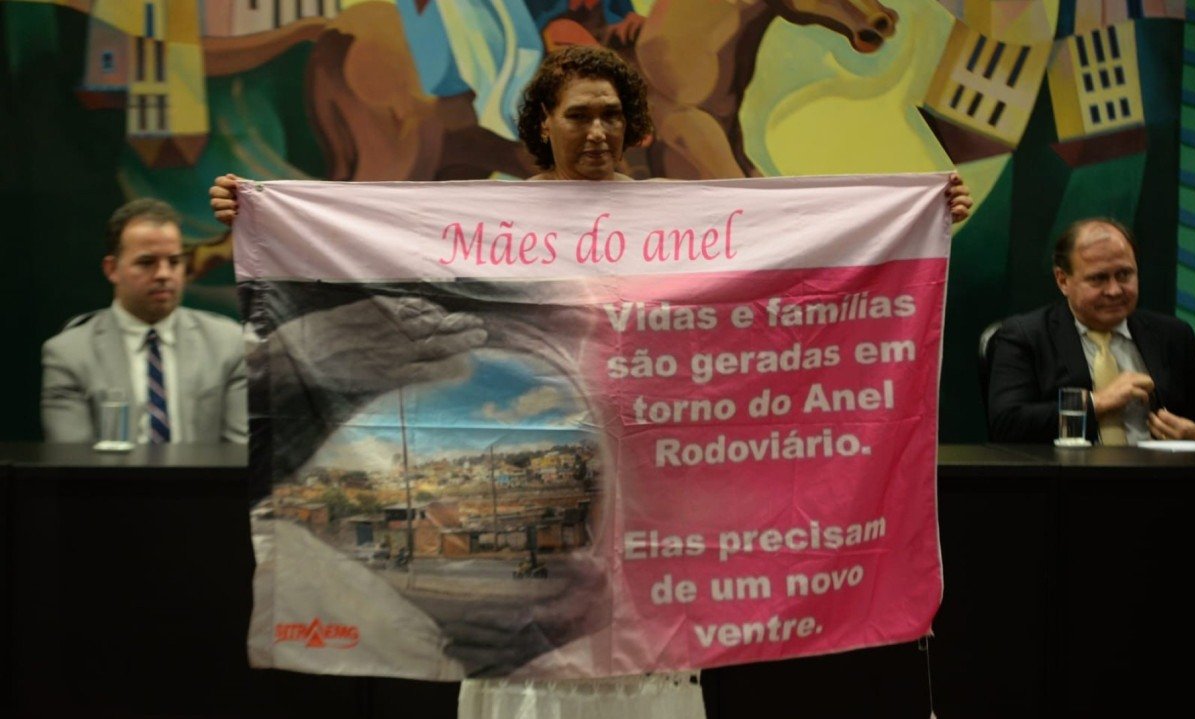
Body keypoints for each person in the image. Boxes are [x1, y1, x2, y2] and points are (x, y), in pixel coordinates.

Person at [211, 44, 973, 716]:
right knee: (540, 646)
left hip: (659, 488)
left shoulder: (681, 218)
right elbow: (367, 251)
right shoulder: (488, 218)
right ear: (543, 122)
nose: (599, 131)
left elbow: (806, 259)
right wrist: (257, 216)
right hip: (531, 487)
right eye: (579, 115)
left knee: (646, 639)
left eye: (612, 115)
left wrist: (923, 216)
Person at [42, 198, 247, 444]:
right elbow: (71, 458)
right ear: (112, 269)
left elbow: (239, 452)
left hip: (208, 471)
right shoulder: (69, 353)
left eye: (174, 261)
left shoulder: (227, 343)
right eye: (146, 262)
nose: (163, 274)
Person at [987, 218, 1195, 443]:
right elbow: (1006, 423)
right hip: (1072, 466)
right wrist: (1096, 402)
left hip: (1162, 465)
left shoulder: (1173, 335)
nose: (1114, 290)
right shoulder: (1026, 336)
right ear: (1063, 280)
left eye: (1124, 275)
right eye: (1098, 278)